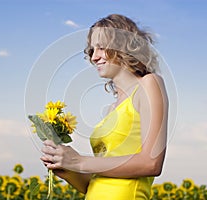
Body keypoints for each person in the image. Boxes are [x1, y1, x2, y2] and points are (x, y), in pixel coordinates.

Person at [41, 14, 168, 200]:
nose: (94, 57)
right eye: (92, 50)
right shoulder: (111, 109)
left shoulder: (149, 84)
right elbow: (96, 180)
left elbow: (151, 163)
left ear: (124, 46)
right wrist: (68, 168)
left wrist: (80, 161)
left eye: (102, 47)